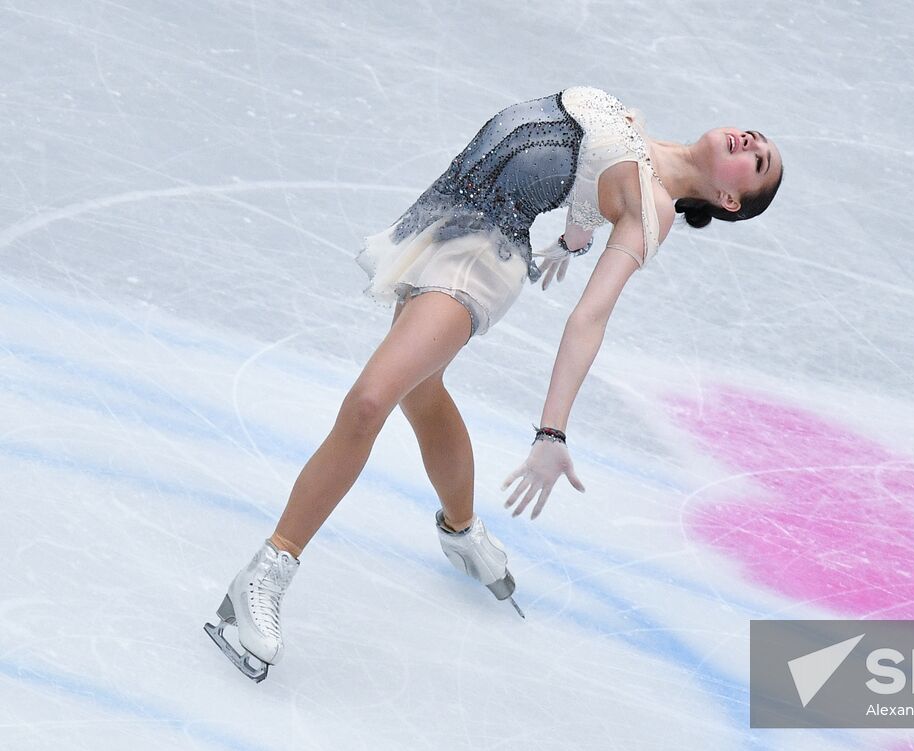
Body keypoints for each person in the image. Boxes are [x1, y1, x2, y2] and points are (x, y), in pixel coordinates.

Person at [203, 86, 785, 682]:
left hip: (480, 259)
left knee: (369, 403)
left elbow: (589, 318)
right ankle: (462, 533)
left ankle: (268, 570)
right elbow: (592, 168)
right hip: (443, 216)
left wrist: (552, 431)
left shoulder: (652, 210)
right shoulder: (634, 124)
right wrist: (574, 235)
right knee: (422, 394)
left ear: (728, 200)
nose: (751, 142)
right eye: (756, 137)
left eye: (758, 160)